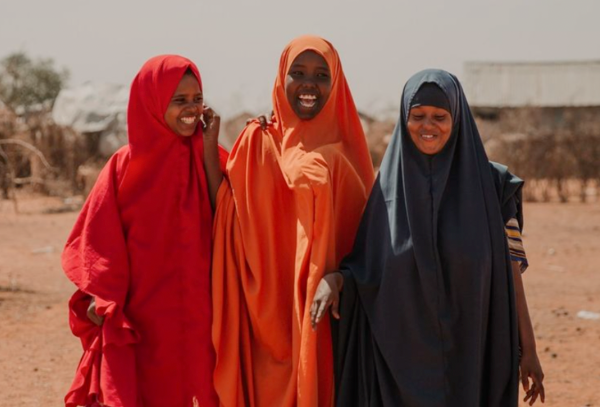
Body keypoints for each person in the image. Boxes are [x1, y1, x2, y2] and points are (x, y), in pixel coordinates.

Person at [311, 69, 545, 406]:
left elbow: (511, 275)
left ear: (458, 119)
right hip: (401, 368)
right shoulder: (387, 194)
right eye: (417, 116)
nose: (428, 125)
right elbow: (368, 272)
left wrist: (530, 351)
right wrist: (337, 280)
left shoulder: (494, 189)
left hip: (474, 360)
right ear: (403, 120)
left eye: (440, 116)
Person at [211, 35, 374, 407]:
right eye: (297, 72)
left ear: (336, 84)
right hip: (261, 328)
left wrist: (339, 279)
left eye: (321, 75)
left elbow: (372, 246)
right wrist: (210, 148)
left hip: (325, 326)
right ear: (281, 79)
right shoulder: (258, 143)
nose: (308, 84)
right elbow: (228, 218)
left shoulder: (344, 159)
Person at [62, 55, 226, 407]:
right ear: (151, 101)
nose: (192, 109)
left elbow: (227, 215)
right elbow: (97, 239)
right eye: (178, 100)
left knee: (209, 388)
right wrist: (101, 296)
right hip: (143, 313)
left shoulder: (212, 157)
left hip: (203, 309)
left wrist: (210, 148)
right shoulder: (125, 165)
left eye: (197, 99)